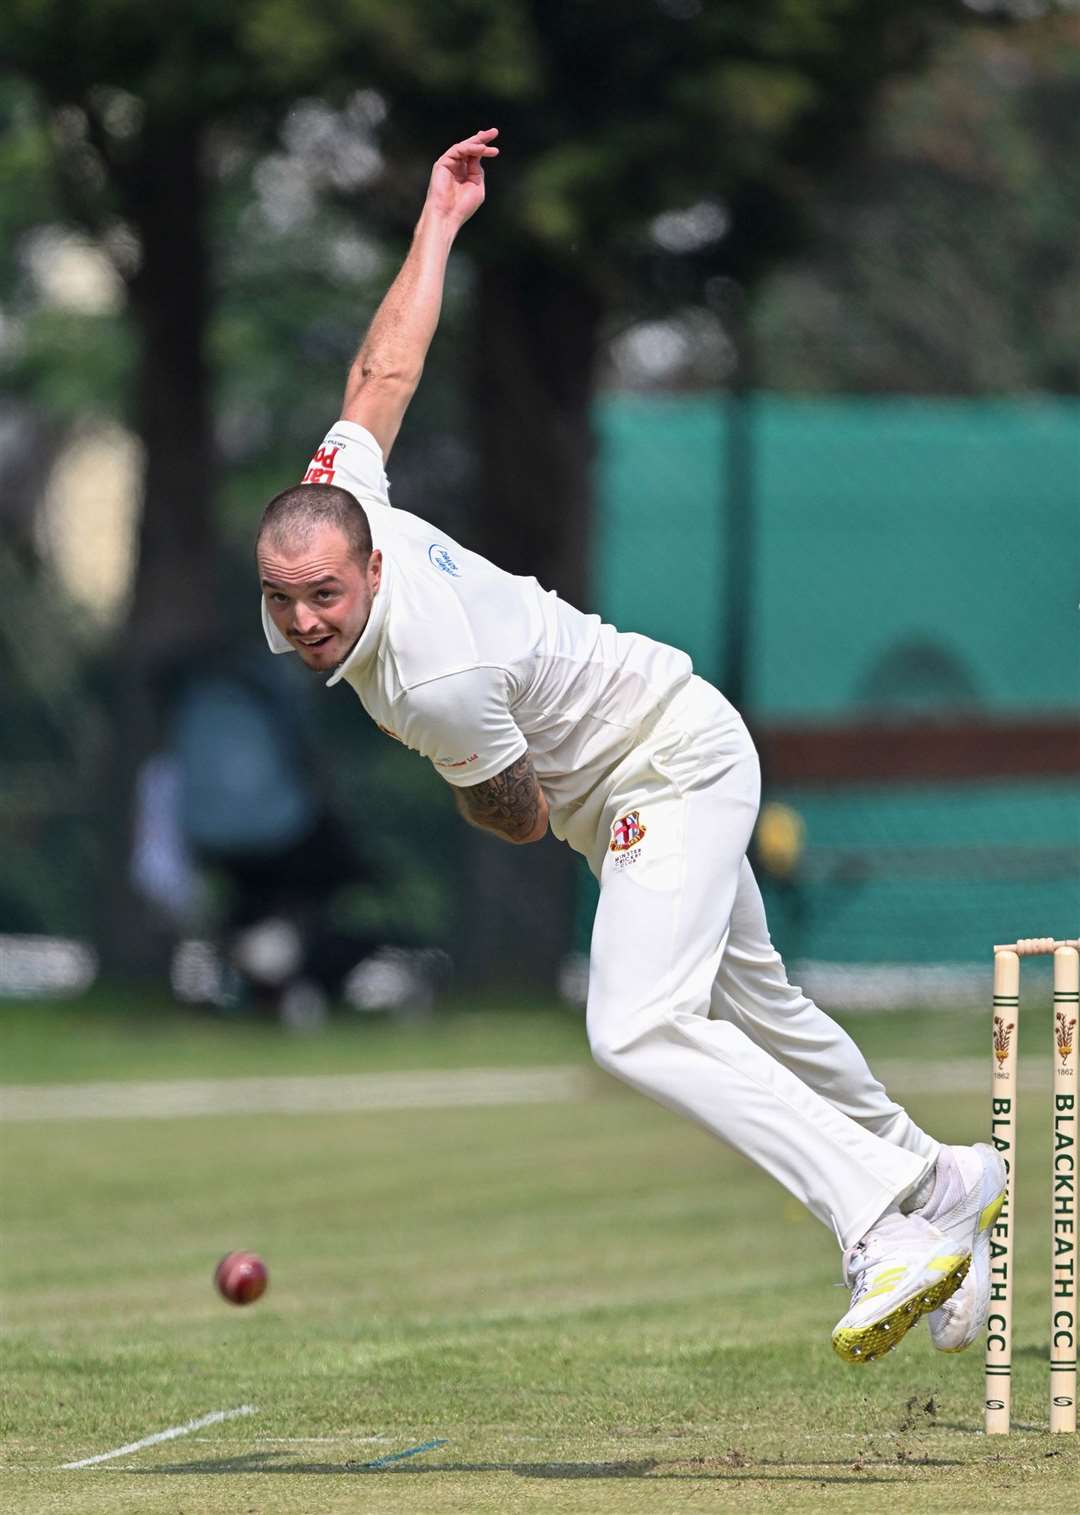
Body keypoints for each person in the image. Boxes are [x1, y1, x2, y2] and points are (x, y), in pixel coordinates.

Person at [255, 129, 1005, 1364]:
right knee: (762, 1008)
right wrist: (438, 223)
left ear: (371, 566)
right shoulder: (347, 499)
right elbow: (383, 374)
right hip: (652, 751)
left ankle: (880, 1227)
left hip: (664, 764)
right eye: (283, 598)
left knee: (636, 1023)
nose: (303, 621)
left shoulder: (431, 673)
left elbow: (513, 811)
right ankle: (937, 1179)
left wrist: (511, 795)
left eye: (324, 598)